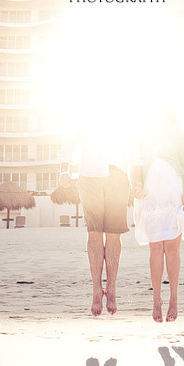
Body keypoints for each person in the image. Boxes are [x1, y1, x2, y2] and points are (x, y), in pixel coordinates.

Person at [132, 105, 184, 323]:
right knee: (155, 249)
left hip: (173, 192)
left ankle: (173, 298)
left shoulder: (179, 133)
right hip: (151, 195)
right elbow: (135, 163)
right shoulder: (144, 134)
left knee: (171, 249)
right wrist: (136, 184)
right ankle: (156, 299)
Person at [58, 116, 133, 317]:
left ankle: (112, 288)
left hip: (118, 175)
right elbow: (69, 141)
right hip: (89, 175)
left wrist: (138, 176)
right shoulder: (82, 112)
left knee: (114, 235)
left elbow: (134, 142)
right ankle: (96, 290)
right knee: (94, 233)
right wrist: (63, 170)